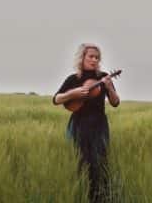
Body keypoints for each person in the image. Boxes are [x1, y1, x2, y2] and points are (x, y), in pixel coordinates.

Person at [53, 43, 120, 202]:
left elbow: (115, 102)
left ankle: (101, 197)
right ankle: (80, 194)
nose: (94, 60)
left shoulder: (104, 77)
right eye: (91, 56)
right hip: (79, 125)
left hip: (98, 126)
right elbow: (56, 99)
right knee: (80, 162)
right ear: (82, 58)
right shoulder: (74, 79)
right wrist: (73, 93)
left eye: (97, 57)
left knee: (100, 162)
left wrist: (110, 88)